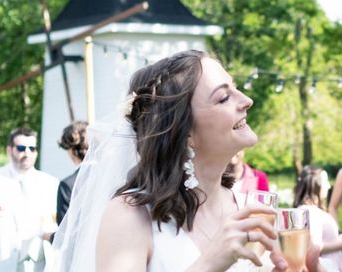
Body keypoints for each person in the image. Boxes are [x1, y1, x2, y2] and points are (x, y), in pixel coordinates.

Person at [51, 50, 325, 272]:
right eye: (223, 97)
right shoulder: (129, 216)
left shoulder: (248, 210)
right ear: (185, 134)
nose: (247, 100)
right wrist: (209, 264)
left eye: (237, 88)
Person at [0, 127, 59, 271]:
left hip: (37, 263)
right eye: (21, 148)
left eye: (32, 148)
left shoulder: (51, 183)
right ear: (9, 150)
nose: (27, 153)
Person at [293, 166, 342, 272]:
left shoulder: (306, 210)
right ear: (315, 185)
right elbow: (313, 248)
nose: (328, 186)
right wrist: (341, 244)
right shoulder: (311, 212)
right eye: (325, 182)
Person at [56, 121, 89, 224]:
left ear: (70, 150)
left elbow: (65, 234)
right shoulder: (111, 177)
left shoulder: (67, 185)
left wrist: (46, 235)